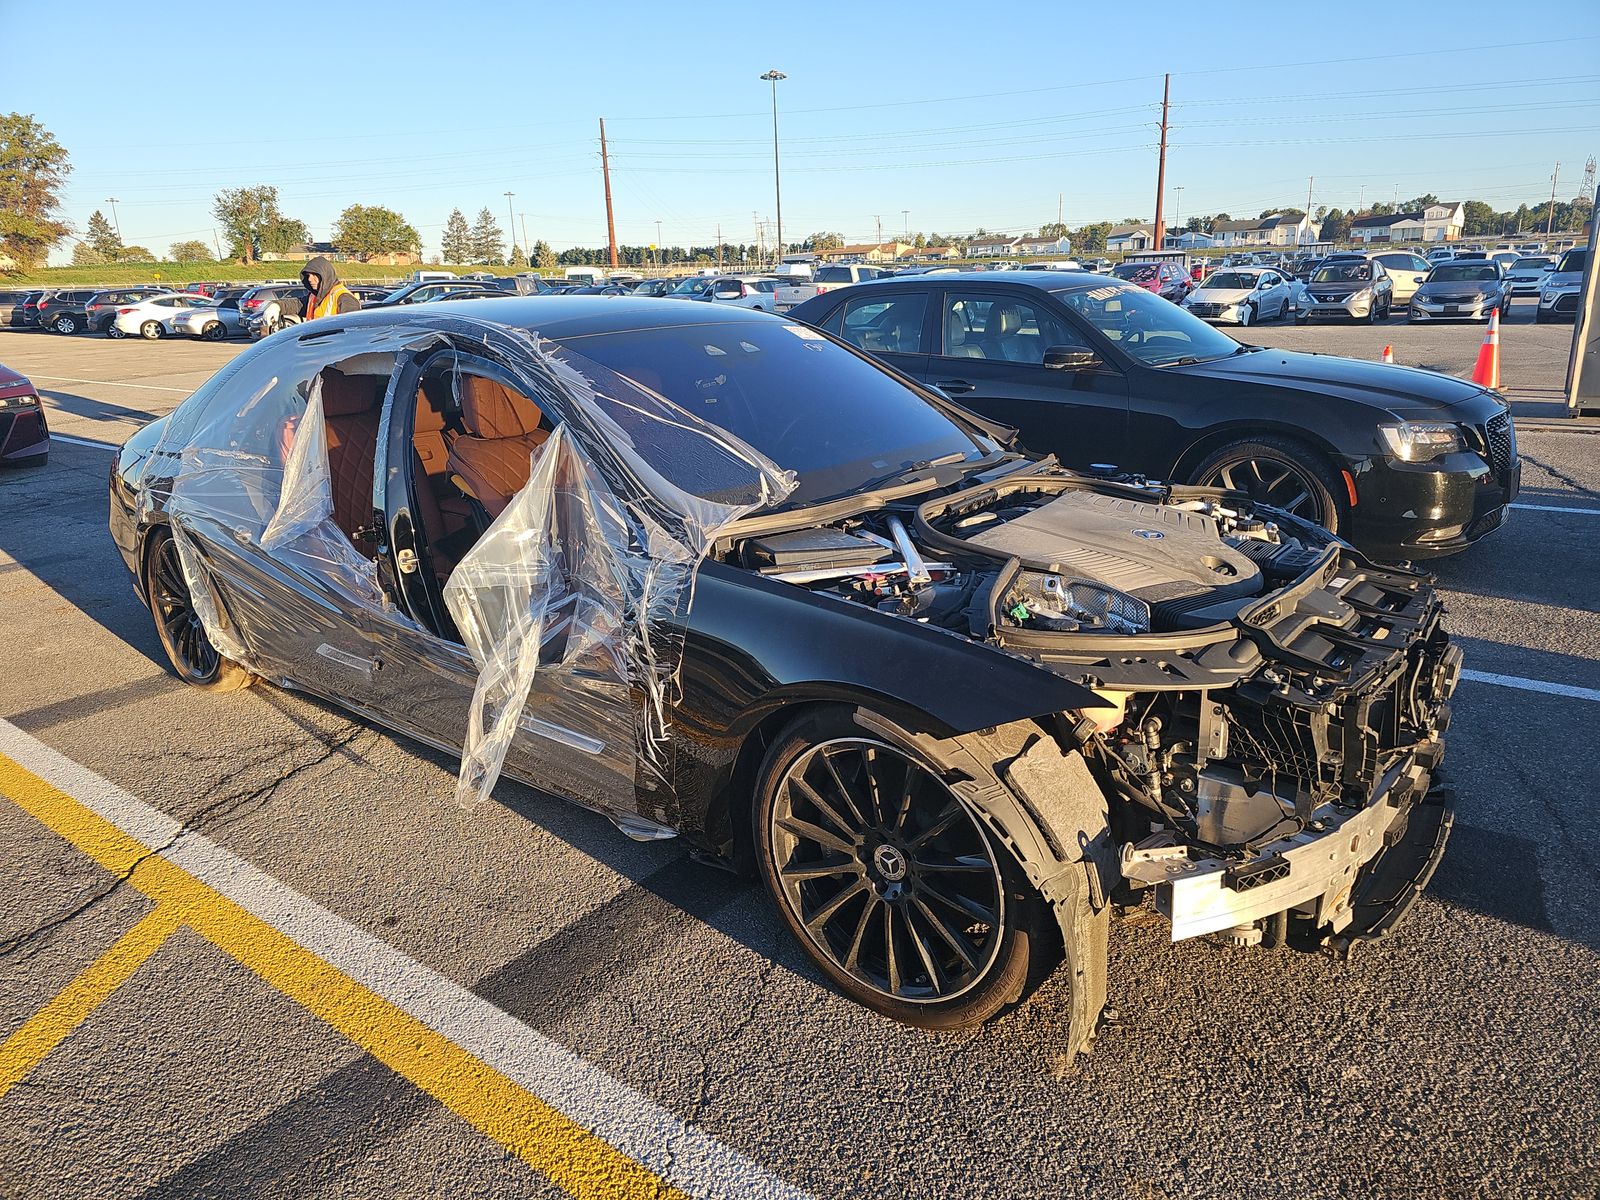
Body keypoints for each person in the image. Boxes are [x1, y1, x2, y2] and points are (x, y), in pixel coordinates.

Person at [300, 256, 359, 320]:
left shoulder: (344, 298)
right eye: (308, 275)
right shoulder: (313, 296)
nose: (309, 279)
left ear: (325, 275)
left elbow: (351, 326)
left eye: (314, 275)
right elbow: (298, 304)